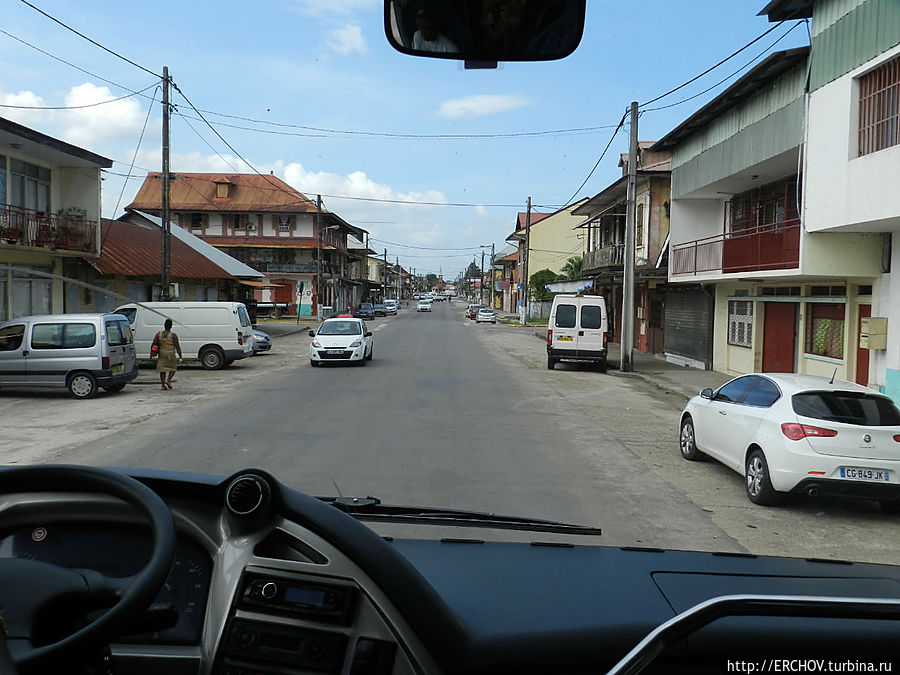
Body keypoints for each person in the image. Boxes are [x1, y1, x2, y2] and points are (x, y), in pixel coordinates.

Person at [152, 319, 183, 391]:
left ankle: (163, 385)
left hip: (162, 353)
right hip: (170, 353)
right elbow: (177, 346)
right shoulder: (173, 335)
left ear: (164, 325)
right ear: (171, 326)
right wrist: (180, 356)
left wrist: (152, 354)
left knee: (162, 369)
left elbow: (154, 344)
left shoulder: (158, 334)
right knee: (173, 368)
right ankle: (168, 380)